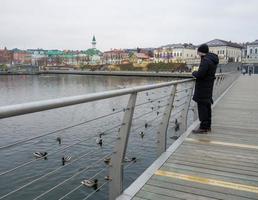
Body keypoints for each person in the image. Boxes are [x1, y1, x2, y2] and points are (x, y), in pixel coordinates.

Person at [192, 44, 219, 134]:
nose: (198, 54)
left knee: (202, 108)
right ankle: (207, 126)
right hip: (208, 86)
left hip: (203, 88)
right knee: (207, 107)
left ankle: (203, 127)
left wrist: (194, 72)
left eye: (198, 52)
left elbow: (200, 74)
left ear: (201, 52)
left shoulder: (205, 61)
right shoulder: (212, 60)